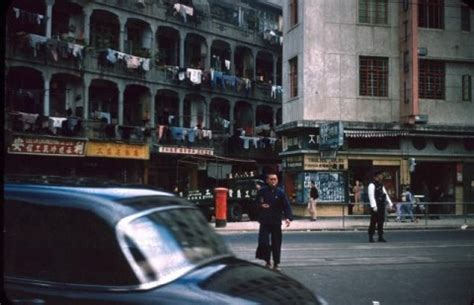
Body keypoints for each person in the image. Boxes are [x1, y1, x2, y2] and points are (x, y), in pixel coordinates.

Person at [255, 172, 293, 271]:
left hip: (276, 221)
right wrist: (260, 205)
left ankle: (276, 263)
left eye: (275, 179)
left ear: (277, 181)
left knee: (276, 243)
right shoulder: (262, 191)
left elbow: (286, 205)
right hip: (264, 221)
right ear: (267, 180)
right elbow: (255, 203)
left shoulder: (280, 193)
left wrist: (288, 217)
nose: (273, 181)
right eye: (271, 179)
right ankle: (267, 261)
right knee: (264, 242)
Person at [368, 170, 393, 242]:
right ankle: (371, 236)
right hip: (376, 206)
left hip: (381, 205)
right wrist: (374, 206)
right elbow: (371, 196)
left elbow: (386, 194)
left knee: (381, 222)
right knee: (373, 222)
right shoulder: (372, 185)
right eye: (380, 175)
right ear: (376, 176)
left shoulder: (381, 185)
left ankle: (380, 236)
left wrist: (390, 203)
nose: (381, 176)